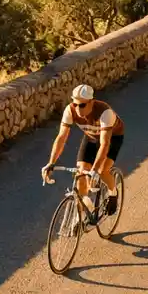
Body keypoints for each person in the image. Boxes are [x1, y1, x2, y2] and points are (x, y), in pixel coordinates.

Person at [42, 84, 124, 222]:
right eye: (75, 104)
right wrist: (51, 162)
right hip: (91, 136)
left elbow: (104, 144)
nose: (78, 108)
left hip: (112, 138)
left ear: (91, 102)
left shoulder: (105, 112)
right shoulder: (70, 110)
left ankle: (113, 192)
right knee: (80, 173)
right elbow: (61, 137)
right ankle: (84, 212)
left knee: (103, 170)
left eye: (82, 105)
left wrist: (95, 170)